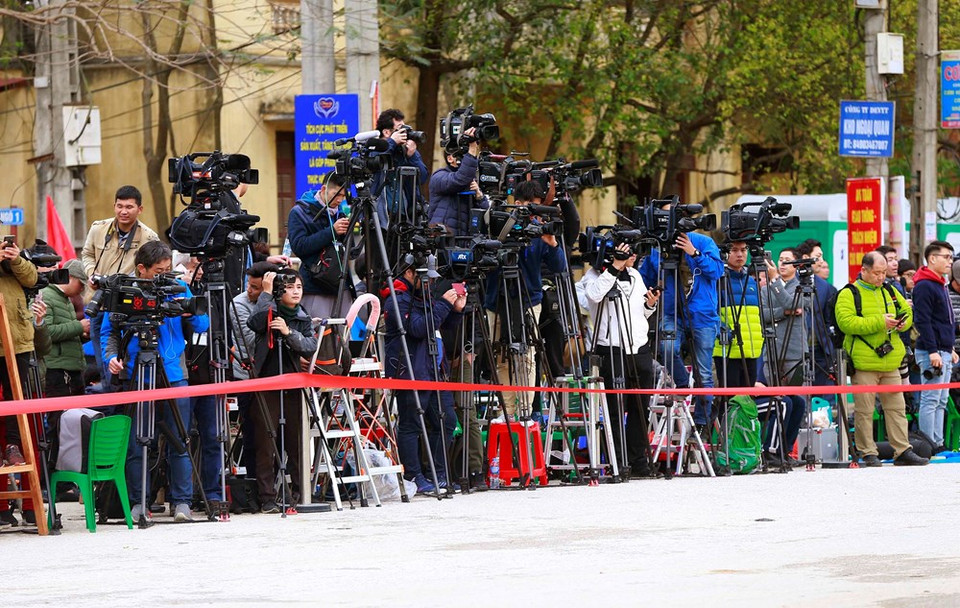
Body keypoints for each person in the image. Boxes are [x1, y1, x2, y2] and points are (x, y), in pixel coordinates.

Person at [101, 241, 210, 521]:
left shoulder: (177, 286)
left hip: (174, 375)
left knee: (180, 440)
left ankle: (182, 502)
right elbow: (109, 331)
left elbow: (203, 324)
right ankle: (138, 501)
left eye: (167, 269)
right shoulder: (125, 290)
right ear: (142, 268)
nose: (165, 275)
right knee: (138, 441)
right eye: (158, 271)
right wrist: (112, 356)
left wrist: (188, 310)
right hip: (137, 373)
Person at [835, 251, 927, 466]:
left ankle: (902, 449)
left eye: (884, 272)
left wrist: (904, 322)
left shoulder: (890, 289)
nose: (881, 277)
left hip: (891, 361)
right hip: (864, 362)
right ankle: (868, 452)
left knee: (897, 409)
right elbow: (846, 323)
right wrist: (879, 322)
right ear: (864, 270)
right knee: (864, 410)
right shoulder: (849, 293)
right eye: (877, 273)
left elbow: (907, 310)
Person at [483, 180, 566, 417]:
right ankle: (507, 411)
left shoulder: (540, 230)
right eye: (530, 208)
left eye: (537, 208)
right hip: (496, 300)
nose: (533, 215)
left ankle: (526, 411)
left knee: (527, 357)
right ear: (517, 204)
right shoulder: (500, 222)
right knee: (501, 358)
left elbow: (560, 268)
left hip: (530, 301)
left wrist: (552, 243)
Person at [576, 242, 659, 477]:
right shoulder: (593, 276)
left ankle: (638, 461)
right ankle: (617, 460)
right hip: (610, 349)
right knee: (613, 410)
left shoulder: (635, 274)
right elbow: (593, 296)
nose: (633, 256)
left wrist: (649, 305)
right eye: (627, 252)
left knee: (640, 408)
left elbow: (640, 313)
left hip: (639, 349)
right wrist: (614, 268)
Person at [384, 260, 465, 493]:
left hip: (435, 371)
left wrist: (455, 311)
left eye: (433, 279)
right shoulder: (397, 298)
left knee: (447, 421)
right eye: (426, 278)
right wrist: (442, 305)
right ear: (409, 273)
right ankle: (415, 476)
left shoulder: (425, 298)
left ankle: (437, 473)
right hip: (411, 371)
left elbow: (439, 327)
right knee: (411, 425)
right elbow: (418, 328)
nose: (431, 283)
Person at [639, 209, 723, 428]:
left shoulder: (703, 241)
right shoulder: (656, 247)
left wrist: (694, 253)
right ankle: (684, 384)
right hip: (671, 312)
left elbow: (716, 271)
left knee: (704, 371)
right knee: (666, 348)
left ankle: (702, 423)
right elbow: (644, 280)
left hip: (703, 315)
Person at [247, 269, 318, 513]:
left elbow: (310, 346)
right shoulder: (269, 308)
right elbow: (254, 323)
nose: (296, 291)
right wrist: (266, 296)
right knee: (266, 441)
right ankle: (267, 497)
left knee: (296, 440)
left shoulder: (301, 315)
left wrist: (289, 333)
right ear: (279, 290)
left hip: (293, 384)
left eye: (299, 286)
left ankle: (300, 494)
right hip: (266, 382)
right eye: (289, 287)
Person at [81, 185, 159, 392]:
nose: (124, 211)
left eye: (129, 207)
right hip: (98, 301)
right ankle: (112, 394)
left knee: (127, 358)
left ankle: (124, 394)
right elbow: (87, 254)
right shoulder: (99, 228)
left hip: (128, 306)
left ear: (139, 209)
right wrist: (91, 274)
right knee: (104, 359)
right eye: (119, 206)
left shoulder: (148, 237)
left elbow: (152, 270)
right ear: (114, 206)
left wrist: (127, 284)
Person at [230, 261, 281, 479]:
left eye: (256, 287)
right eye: (248, 285)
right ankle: (254, 486)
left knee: (278, 436)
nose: (249, 291)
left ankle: (278, 485)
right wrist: (265, 299)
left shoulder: (280, 299)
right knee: (253, 434)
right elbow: (254, 340)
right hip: (247, 375)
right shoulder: (238, 304)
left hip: (276, 374)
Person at [287, 172, 353, 319]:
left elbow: (351, 252)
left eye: (343, 196)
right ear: (323, 189)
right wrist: (332, 231)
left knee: (344, 338)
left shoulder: (340, 214)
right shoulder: (301, 212)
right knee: (317, 337)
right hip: (315, 286)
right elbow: (299, 246)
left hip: (341, 286)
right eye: (336, 194)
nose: (340, 200)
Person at [911, 240, 957, 450]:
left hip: (944, 349)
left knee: (941, 399)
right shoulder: (924, 285)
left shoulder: (940, 283)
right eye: (946, 257)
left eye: (951, 257)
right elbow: (923, 321)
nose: (950, 261)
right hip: (932, 351)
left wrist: (950, 348)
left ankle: (938, 442)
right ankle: (928, 444)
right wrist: (932, 351)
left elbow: (944, 320)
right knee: (930, 399)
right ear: (932, 258)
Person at [0, 236, 38, 469]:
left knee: (17, 398)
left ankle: (13, 446)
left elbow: (32, 278)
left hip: (18, 340)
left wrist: (15, 260)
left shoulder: (11, 254)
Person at [714, 241, 763, 388]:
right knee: (732, 401)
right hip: (727, 350)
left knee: (748, 401)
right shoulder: (718, 278)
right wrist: (722, 331)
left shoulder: (751, 280)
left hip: (751, 349)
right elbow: (709, 313)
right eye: (734, 250)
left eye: (743, 250)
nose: (740, 254)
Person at [372, 108, 429, 227]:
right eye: (400, 129)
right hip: (380, 217)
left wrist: (412, 156)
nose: (405, 132)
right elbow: (377, 162)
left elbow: (422, 178)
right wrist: (392, 143)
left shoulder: (406, 150)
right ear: (387, 132)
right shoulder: (374, 148)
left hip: (404, 216)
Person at [42, 260, 89, 398]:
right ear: (69, 277)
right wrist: (79, 326)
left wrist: (83, 335)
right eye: (81, 283)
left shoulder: (66, 299)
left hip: (70, 368)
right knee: (59, 417)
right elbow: (45, 333)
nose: (82, 289)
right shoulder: (46, 296)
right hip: (57, 370)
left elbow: (65, 334)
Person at [427, 128, 487, 236]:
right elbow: (459, 179)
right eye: (464, 154)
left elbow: (485, 216)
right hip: (443, 239)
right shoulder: (439, 176)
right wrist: (472, 148)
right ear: (450, 158)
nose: (469, 157)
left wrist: (479, 196)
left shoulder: (471, 179)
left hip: (464, 241)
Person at [761, 247, 802, 385]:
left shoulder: (802, 287)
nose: (783, 264)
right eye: (781, 260)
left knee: (798, 398)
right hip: (772, 352)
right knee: (775, 399)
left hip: (795, 352)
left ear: (796, 264)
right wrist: (784, 312)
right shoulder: (765, 289)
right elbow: (763, 315)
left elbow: (791, 303)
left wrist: (774, 280)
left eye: (788, 261)